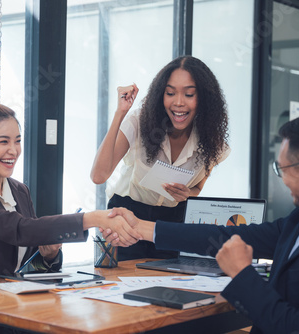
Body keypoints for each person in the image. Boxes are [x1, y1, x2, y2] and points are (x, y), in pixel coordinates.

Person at [107, 112, 299, 334]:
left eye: (283, 169)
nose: (282, 179)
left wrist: (242, 274)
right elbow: (225, 235)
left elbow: (297, 329)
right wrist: (145, 228)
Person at [0, 103, 140, 282]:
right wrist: (93, 218)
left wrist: (48, 255)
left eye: (17, 141)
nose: (14, 150)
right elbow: (20, 229)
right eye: (3, 142)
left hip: (12, 307)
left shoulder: (19, 191)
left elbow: (32, 264)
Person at [91, 55, 230, 260]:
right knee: (121, 284)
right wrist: (120, 114)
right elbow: (99, 175)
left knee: (169, 282)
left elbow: (197, 188)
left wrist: (187, 194)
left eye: (189, 94)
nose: (179, 102)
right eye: (170, 93)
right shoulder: (139, 121)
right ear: (160, 95)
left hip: (172, 222)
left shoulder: (212, 142)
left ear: (204, 98)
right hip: (127, 215)